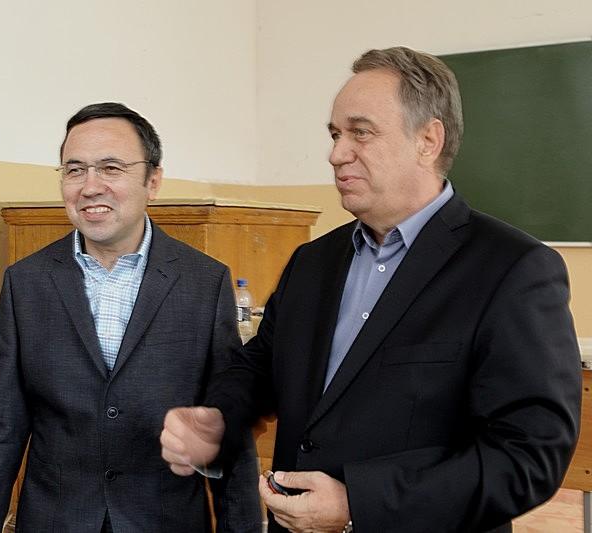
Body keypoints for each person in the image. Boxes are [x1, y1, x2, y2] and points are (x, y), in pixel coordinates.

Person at [161, 47, 582, 533]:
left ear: (428, 140)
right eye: (335, 134)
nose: (336, 154)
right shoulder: (312, 262)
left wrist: (358, 505)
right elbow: (262, 366)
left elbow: (528, 456)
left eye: (360, 132)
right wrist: (220, 416)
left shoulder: (513, 270)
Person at [0, 102, 261, 532]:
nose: (90, 187)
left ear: (153, 181)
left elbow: (227, 429)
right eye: (74, 170)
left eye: (111, 168)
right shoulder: (26, 283)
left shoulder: (203, 282)